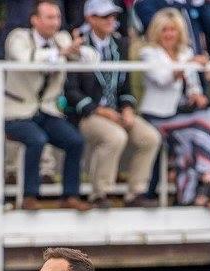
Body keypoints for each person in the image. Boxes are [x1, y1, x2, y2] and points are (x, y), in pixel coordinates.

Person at [65, 0, 161, 209]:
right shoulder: (79, 45)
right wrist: (100, 111)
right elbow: (71, 91)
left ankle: (136, 192)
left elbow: (126, 86)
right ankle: (100, 192)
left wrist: (127, 108)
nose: (111, 20)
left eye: (113, 16)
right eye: (105, 16)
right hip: (87, 114)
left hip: (115, 111)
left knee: (150, 137)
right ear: (90, 19)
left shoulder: (119, 44)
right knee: (115, 136)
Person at [4, 0, 96, 212]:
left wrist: (77, 51)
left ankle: (70, 195)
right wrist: (62, 53)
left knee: (75, 141)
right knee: (37, 139)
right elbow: (26, 59)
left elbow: (91, 57)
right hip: (16, 111)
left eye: (57, 17)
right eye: (49, 17)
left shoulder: (62, 39)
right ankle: (30, 195)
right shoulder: (18, 37)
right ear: (35, 20)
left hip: (46, 110)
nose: (55, 22)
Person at [139, 8, 210, 207]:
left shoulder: (186, 52)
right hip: (156, 115)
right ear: (157, 31)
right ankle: (208, 173)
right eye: (165, 30)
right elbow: (162, 79)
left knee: (192, 140)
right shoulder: (149, 53)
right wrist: (187, 64)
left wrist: (197, 95)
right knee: (206, 119)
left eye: (173, 29)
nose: (169, 34)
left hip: (179, 115)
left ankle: (188, 197)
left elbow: (193, 83)